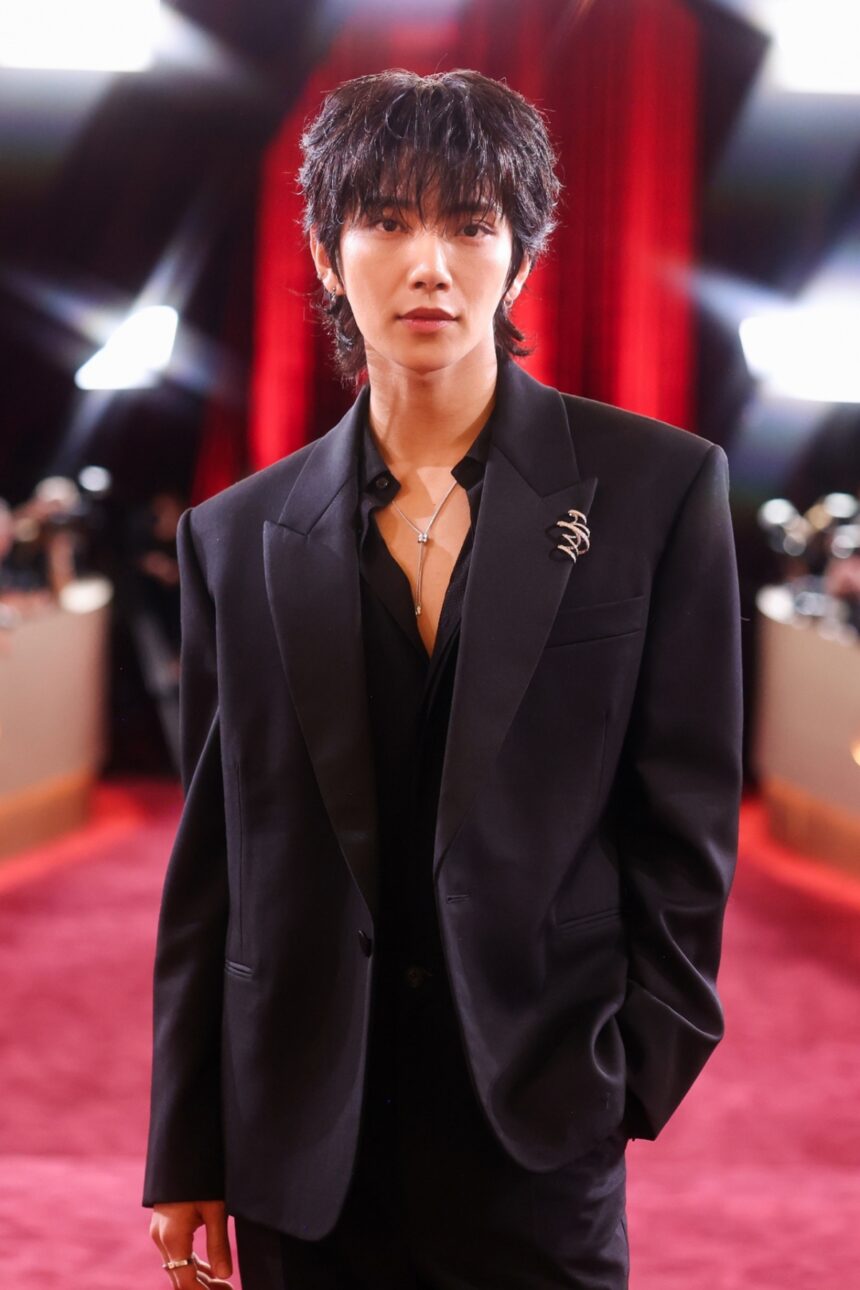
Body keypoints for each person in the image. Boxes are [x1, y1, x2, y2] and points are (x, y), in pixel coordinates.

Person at [143, 68, 744, 1290]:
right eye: (386, 221)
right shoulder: (234, 535)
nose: (429, 265)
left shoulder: (658, 490)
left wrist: (634, 1063)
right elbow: (216, 862)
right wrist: (187, 1140)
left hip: (538, 1110)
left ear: (517, 262)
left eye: (469, 225)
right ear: (326, 255)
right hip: (300, 1136)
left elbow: (685, 814)